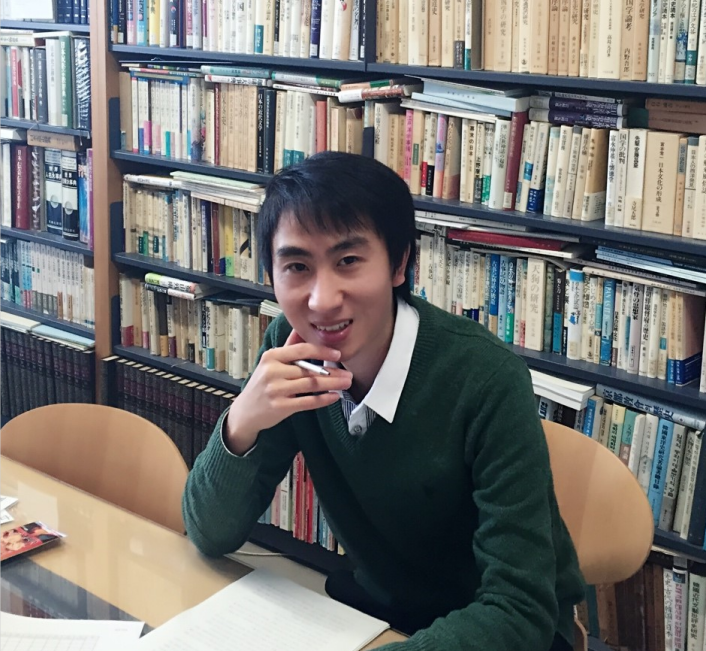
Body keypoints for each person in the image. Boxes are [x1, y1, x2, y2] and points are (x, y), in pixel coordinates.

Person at [183, 152, 585, 651]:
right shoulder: (290, 350)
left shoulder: (486, 378)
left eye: (348, 261)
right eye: (297, 266)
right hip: (381, 616)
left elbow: (520, 608)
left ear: (398, 264)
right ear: (271, 275)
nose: (322, 300)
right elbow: (209, 533)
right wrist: (242, 420)